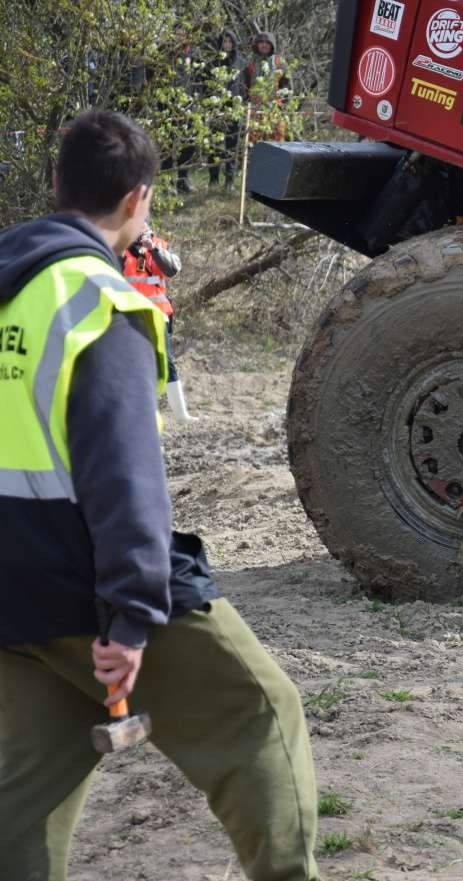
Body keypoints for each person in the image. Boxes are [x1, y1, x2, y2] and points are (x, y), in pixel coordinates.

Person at [0, 110, 319, 881]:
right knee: (263, 712)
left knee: (24, 798)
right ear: (139, 197)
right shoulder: (97, 302)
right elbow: (124, 476)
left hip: (15, 597)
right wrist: (133, 612)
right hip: (82, 581)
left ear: (57, 183)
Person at [122, 223, 197, 421]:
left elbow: (172, 269)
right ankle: (137, 411)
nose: (138, 228)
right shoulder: (120, 246)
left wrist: (153, 249)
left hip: (158, 313)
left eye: (142, 224)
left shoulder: (159, 244)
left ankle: (181, 415)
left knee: (166, 361)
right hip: (129, 314)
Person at [209, 29, 245, 189]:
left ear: (234, 43)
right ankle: (213, 179)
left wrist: (242, 104)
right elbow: (206, 87)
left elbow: (245, 87)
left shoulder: (241, 63)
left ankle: (229, 181)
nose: (227, 44)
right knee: (215, 145)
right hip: (217, 109)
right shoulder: (213, 63)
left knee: (232, 145)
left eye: (230, 41)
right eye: (224, 41)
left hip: (235, 110)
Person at [242, 32, 292, 142]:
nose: (264, 45)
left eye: (267, 43)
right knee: (254, 145)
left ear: (272, 45)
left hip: (275, 111)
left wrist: (282, 106)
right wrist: (247, 106)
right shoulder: (250, 63)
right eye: (261, 42)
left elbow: (287, 88)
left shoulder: (279, 62)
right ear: (257, 44)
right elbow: (244, 87)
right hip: (255, 111)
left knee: (277, 145)